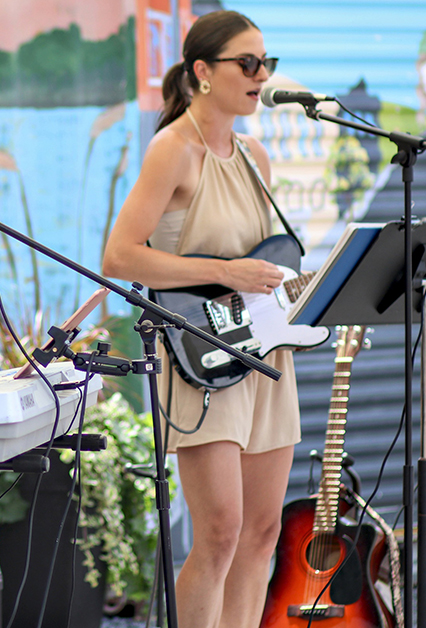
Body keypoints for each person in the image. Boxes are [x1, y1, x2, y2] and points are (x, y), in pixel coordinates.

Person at [102, 10, 298, 628]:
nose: (261, 75)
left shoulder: (255, 156)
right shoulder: (173, 150)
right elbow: (120, 256)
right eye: (248, 63)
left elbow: (265, 262)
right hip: (196, 357)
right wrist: (227, 270)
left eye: (267, 62)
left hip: (263, 350)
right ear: (202, 73)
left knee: (263, 533)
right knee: (219, 532)